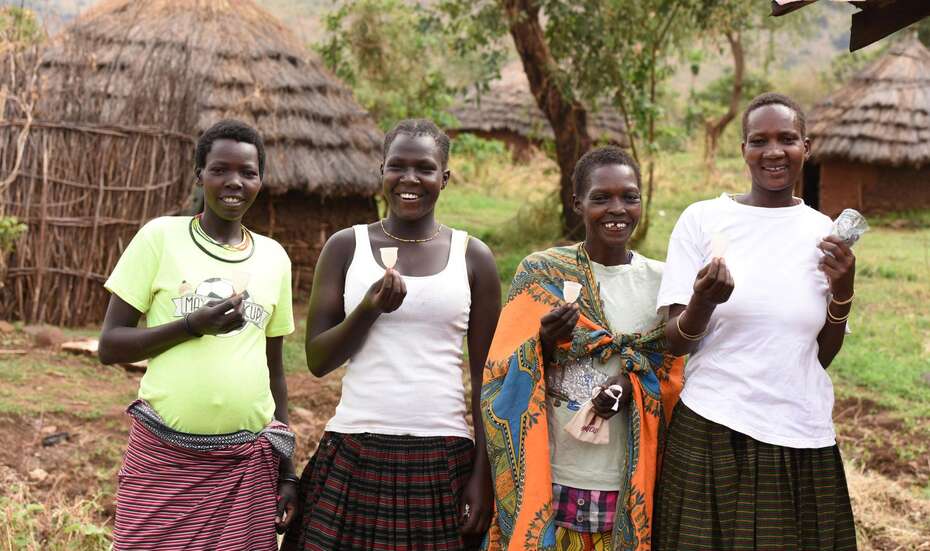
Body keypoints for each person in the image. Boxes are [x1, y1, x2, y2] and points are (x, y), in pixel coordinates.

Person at [282, 119, 501, 551]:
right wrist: (367, 309)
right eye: (397, 166)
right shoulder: (346, 247)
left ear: (445, 177)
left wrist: (483, 475)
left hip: (443, 453)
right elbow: (318, 360)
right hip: (355, 447)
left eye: (424, 168)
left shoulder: (473, 257)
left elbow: (488, 379)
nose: (410, 179)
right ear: (381, 170)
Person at [653, 93, 858, 550]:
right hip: (711, 425)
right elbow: (674, 342)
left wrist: (843, 292)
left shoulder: (823, 235)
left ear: (806, 146)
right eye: (758, 140)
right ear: (743, 149)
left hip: (799, 435)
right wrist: (703, 302)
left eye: (787, 139)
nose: (773, 151)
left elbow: (818, 356)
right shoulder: (702, 220)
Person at [98, 119, 297, 551]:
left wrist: (287, 470)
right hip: (163, 458)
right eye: (221, 169)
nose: (235, 183)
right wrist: (191, 327)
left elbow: (275, 370)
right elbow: (110, 345)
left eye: (248, 172)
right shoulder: (160, 238)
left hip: (247, 464)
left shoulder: (274, 259)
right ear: (199, 175)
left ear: (261, 180)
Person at [481, 146, 684, 551]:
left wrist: (631, 386)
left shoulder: (661, 281)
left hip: (626, 479)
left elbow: (672, 370)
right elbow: (499, 368)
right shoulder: (541, 273)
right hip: (552, 473)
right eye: (600, 197)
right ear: (577, 203)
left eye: (630, 196)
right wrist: (542, 342)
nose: (617, 209)